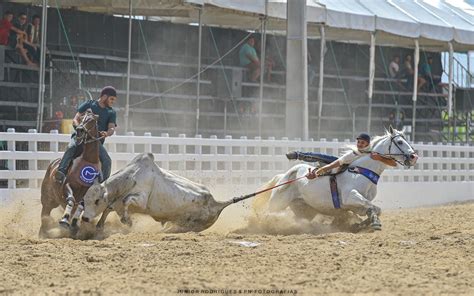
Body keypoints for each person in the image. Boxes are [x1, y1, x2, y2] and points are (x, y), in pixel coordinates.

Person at [55, 86, 117, 184]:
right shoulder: (89, 104)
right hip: (80, 137)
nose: (113, 101)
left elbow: (112, 128)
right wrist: (78, 127)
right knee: (71, 147)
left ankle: (103, 184)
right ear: (104, 96)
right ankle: (61, 172)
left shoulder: (111, 112)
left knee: (107, 160)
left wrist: (107, 133)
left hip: (95, 142)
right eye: (112, 99)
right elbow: (76, 118)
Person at [305, 133, 397, 179]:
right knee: (319, 158)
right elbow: (337, 163)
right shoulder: (353, 154)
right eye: (358, 142)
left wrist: (380, 158)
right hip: (342, 173)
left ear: (367, 144)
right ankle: (300, 157)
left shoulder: (373, 153)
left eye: (362, 142)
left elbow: (394, 164)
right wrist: (321, 171)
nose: (359, 144)